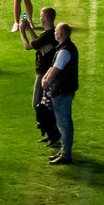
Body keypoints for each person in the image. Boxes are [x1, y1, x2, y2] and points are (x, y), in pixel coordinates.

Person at [20, 7, 63, 152]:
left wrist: (22, 32)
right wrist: (29, 29)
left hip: (43, 74)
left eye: (40, 15)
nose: (39, 18)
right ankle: (50, 133)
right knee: (45, 105)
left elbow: (28, 46)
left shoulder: (48, 35)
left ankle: (53, 134)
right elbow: (38, 43)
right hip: (47, 74)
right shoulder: (50, 34)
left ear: (45, 18)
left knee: (38, 105)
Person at [41, 22, 79, 164]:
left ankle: (66, 155)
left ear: (60, 34)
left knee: (64, 124)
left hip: (62, 92)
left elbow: (55, 71)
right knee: (63, 123)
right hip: (63, 90)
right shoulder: (66, 48)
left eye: (56, 31)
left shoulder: (64, 51)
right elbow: (52, 67)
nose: (54, 33)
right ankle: (64, 151)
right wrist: (45, 78)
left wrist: (46, 83)